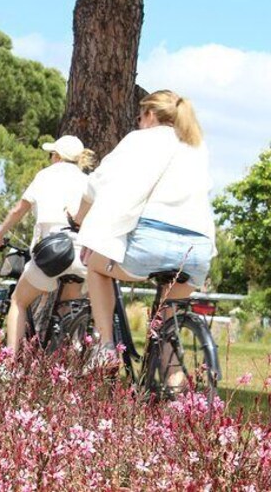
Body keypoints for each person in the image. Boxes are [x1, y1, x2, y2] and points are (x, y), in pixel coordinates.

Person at [73, 90, 215, 379]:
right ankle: (177, 393)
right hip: (199, 251)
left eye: (139, 116)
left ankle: (106, 346)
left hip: (152, 244)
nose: (138, 122)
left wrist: (78, 218)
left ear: (150, 115)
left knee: (96, 267)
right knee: (167, 319)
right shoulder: (197, 145)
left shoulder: (139, 139)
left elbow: (97, 184)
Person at [0, 135, 97, 356]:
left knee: (18, 302)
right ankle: (72, 353)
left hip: (53, 252)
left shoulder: (45, 176)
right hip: (81, 254)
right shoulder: (86, 180)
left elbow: (19, 210)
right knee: (68, 305)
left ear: (56, 156)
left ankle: (9, 366)